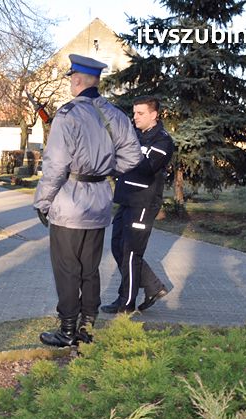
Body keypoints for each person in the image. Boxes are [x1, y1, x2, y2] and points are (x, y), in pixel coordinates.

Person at [33, 54, 142, 347]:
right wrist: (106, 169)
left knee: (68, 269)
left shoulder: (67, 115)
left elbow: (55, 166)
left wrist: (42, 201)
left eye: (71, 78)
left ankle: (68, 330)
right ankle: (87, 326)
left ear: (78, 79)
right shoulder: (115, 115)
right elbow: (133, 157)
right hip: (99, 200)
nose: (71, 82)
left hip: (70, 202)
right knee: (90, 268)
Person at [101, 96, 174, 314]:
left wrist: (124, 153)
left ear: (154, 114)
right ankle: (152, 287)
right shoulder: (133, 135)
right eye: (134, 113)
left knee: (131, 253)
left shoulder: (162, 141)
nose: (135, 117)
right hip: (126, 199)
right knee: (117, 247)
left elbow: (147, 168)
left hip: (144, 202)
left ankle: (127, 303)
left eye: (140, 113)